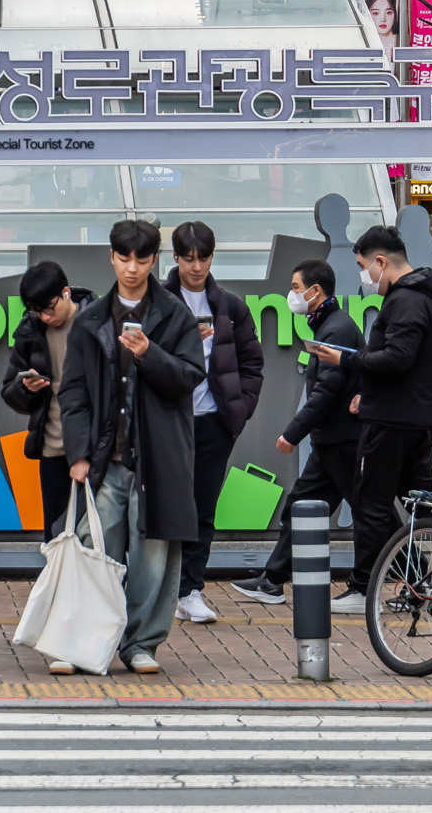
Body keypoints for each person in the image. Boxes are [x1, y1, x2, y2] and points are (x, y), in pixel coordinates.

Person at [56, 220, 207, 675]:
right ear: (111, 258)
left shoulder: (176, 315)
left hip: (158, 460)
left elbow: (188, 378)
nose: (133, 268)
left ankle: (141, 643)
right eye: (124, 258)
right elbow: (74, 392)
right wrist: (79, 454)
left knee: (153, 560)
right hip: (106, 461)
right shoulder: (91, 320)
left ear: (155, 260)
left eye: (142, 259)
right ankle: (81, 641)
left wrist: (148, 353)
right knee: (91, 550)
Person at [310, 225, 432, 615]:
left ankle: (362, 588)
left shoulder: (405, 300)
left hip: (391, 424)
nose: (363, 276)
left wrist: (346, 359)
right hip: (415, 419)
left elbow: (396, 358)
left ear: (380, 261)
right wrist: (365, 393)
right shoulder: (427, 298)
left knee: (371, 505)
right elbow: (406, 364)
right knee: (424, 504)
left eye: (362, 266)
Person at [232, 260, 363, 605]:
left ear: (314, 291)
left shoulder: (337, 330)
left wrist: (292, 432)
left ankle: (398, 579)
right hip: (333, 441)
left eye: (294, 287)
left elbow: (326, 391)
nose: (291, 295)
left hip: (343, 441)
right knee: (304, 506)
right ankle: (273, 580)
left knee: (371, 515)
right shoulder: (329, 325)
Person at [164, 222, 265, 626]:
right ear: (174, 258)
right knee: (163, 506)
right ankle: (158, 590)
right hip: (167, 424)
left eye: (203, 257)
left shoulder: (231, 306)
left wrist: (237, 412)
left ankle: (190, 590)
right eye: (188, 258)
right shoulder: (157, 302)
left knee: (203, 509)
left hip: (212, 423)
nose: (196, 266)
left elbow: (252, 364)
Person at [0, 261, 94, 541]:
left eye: (48, 308)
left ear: (66, 292)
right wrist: (27, 388)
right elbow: (9, 389)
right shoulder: (32, 331)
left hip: (94, 450)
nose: (44, 316)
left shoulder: (96, 322)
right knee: (55, 537)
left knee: (97, 537)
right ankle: (60, 587)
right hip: (52, 449)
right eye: (36, 310)